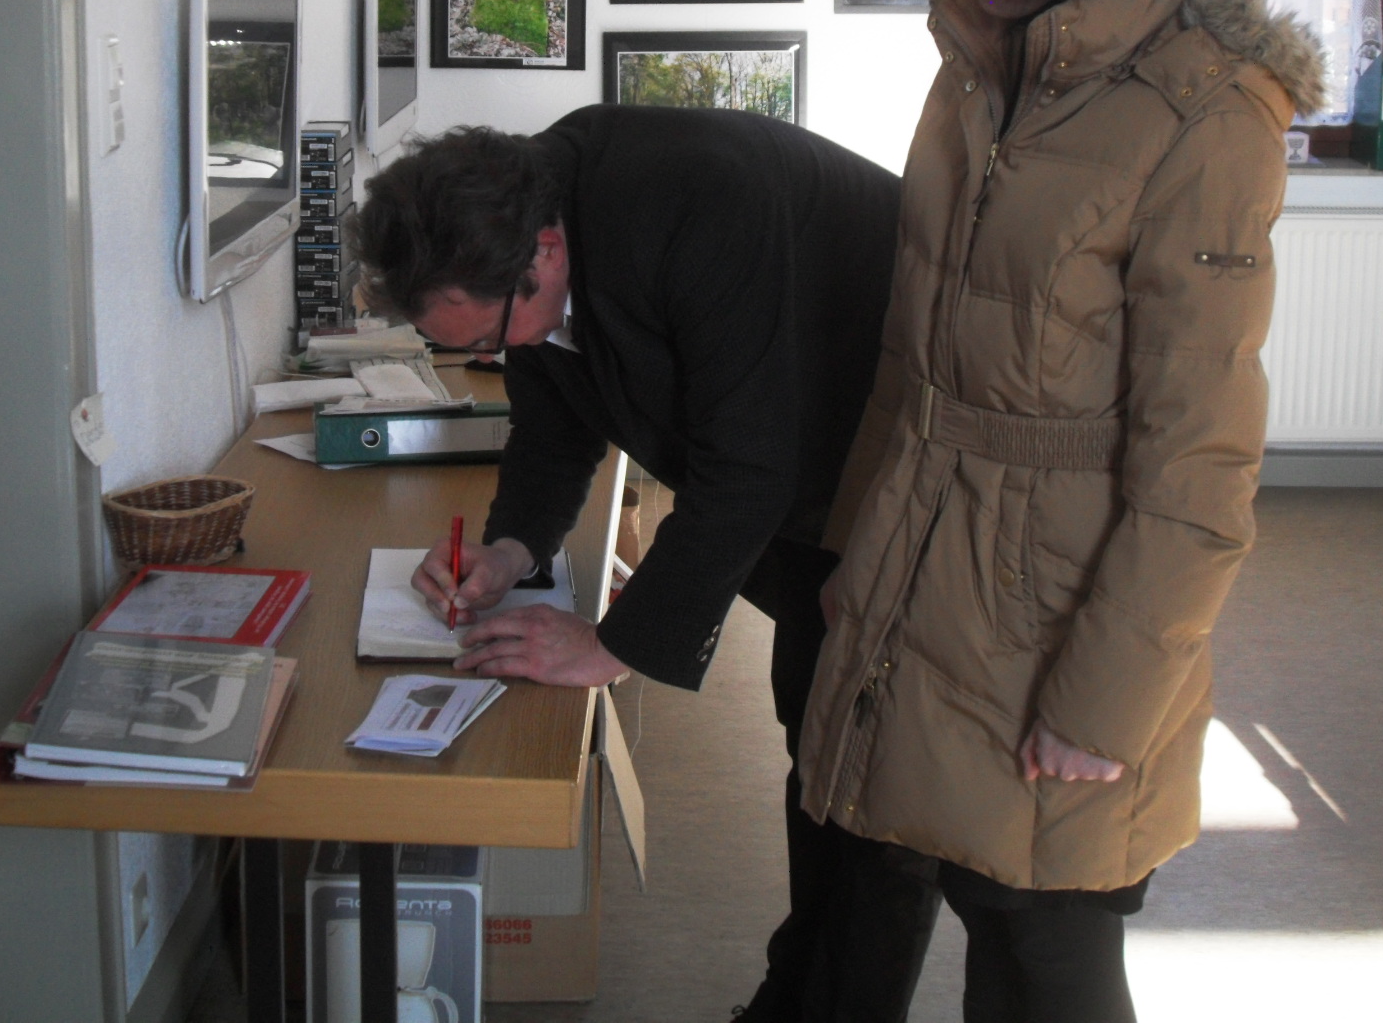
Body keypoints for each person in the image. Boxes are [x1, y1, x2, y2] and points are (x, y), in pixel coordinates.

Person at [795, 0, 1326, 1022]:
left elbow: (1199, 458)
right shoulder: (983, 48)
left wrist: (1103, 700)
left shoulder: (1208, 111)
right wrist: (850, 549)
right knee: (891, 867)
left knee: (1043, 937)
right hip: (920, 544)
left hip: (1060, 594)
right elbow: (913, 343)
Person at [351, 105, 943, 1021]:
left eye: (476, 339)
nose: (484, 357)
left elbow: (747, 470)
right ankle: (797, 996)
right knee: (819, 744)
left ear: (544, 254)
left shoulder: (694, 199)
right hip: (808, 468)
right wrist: (512, 550)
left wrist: (612, 646)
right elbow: (554, 416)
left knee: (877, 786)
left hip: (906, 462)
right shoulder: (530, 221)